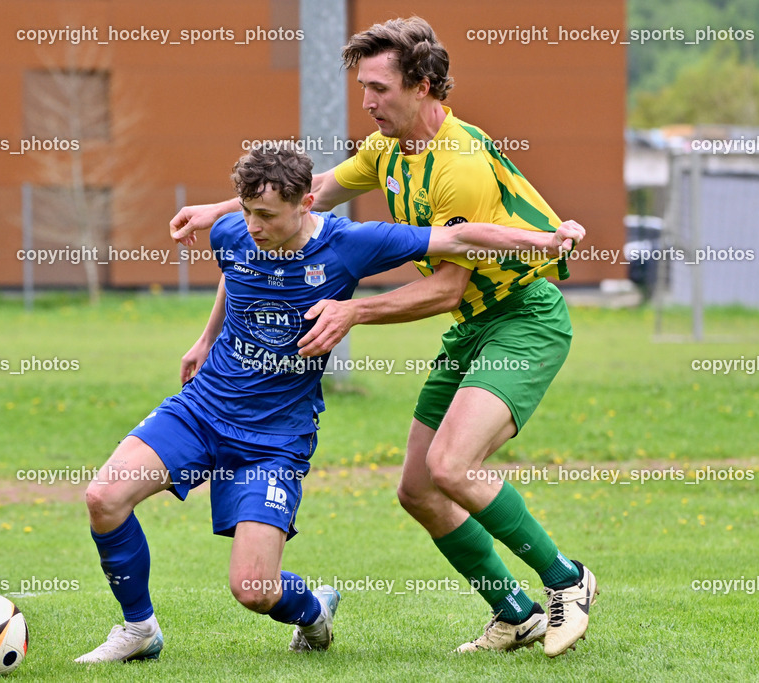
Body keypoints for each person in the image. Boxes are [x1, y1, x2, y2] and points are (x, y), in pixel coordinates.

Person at [169, 17, 596, 658]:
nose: (366, 102)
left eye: (379, 88)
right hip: (473, 328)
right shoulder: (386, 151)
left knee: (452, 466)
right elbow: (308, 196)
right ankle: (515, 614)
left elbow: (447, 288)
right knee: (419, 489)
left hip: (522, 320)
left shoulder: (460, 166)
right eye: (362, 87)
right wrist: (217, 209)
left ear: (422, 86)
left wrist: (354, 313)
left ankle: (567, 579)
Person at [79, 146, 582, 664]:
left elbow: (458, 238)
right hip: (202, 409)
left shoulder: (349, 244)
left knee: (254, 589)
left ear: (306, 203)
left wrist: (545, 239)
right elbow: (235, 272)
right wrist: (206, 338)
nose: (252, 226)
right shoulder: (232, 231)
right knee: (103, 497)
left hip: (274, 438)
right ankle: (139, 629)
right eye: (246, 211)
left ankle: (314, 609)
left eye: (266, 215)